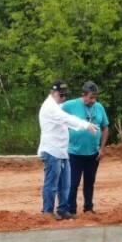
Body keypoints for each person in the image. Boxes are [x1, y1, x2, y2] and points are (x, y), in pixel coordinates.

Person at [38, 81, 99, 219]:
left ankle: (63, 210)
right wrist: (85, 125)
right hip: (52, 150)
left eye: (65, 95)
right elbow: (67, 118)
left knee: (65, 183)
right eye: (61, 94)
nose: (64, 97)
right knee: (52, 183)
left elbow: (67, 118)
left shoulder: (57, 105)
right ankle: (47, 211)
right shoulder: (50, 107)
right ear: (53, 93)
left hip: (62, 150)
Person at [61, 81, 110, 214]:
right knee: (73, 183)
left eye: (95, 97)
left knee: (89, 182)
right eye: (91, 97)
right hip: (74, 152)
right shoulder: (70, 105)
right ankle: (71, 210)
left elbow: (105, 127)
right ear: (83, 95)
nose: (93, 100)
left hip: (93, 153)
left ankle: (88, 208)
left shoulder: (99, 107)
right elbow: (57, 117)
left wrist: (102, 148)